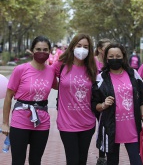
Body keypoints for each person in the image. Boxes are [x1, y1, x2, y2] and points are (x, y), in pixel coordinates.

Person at [1, 36, 57, 165]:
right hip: (20, 120)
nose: (41, 52)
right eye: (38, 49)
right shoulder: (21, 69)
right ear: (32, 51)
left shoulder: (51, 71)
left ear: (49, 51)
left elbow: (61, 85)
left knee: (35, 161)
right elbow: (9, 96)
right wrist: (5, 123)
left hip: (42, 122)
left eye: (45, 49)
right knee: (18, 161)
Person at [91, 43, 143, 165]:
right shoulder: (101, 78)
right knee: (112, 162)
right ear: (106, 58)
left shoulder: (133, 74)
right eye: (111, 56)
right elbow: (94, 104)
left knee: (137, 161)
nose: (114, 59)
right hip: (110, 129)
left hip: (132, 129)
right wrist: (103, 105)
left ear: (123, 57)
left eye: (118, 56)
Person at [52, 33, 97, 165]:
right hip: (67, 123)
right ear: (72, 47)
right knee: (72, 161)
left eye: (86, 46)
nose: (82, 49)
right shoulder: (60, 65)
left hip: (87, 123)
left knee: (82, 161)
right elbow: (46, 78)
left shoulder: (93, 68)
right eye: (79, 45)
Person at [94, 38, 111, 165]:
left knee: (104, 126)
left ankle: (102, 156)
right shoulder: (92, 61)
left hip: (105, 100)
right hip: (91, 99)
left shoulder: (110, 63)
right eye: (106, 48)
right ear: (100, 49)